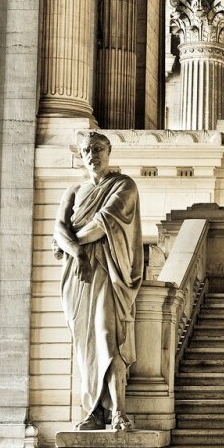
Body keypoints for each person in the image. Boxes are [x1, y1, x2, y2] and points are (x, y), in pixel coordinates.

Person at [53, 132, 143, 431]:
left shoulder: (124, 185)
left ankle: (119, 412)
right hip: (78, 276)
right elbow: (57, 229)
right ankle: (93, 411)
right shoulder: (74, 190)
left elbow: (102, 223)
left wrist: (70, 244)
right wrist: (75, 251)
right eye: (86, 150)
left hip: (107, 270)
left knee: (107, 337)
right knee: (85, 347)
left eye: (97, 149)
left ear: (109, 151)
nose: (92, 154)